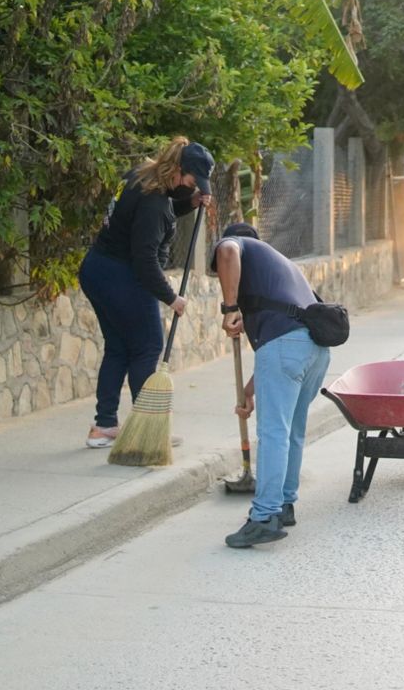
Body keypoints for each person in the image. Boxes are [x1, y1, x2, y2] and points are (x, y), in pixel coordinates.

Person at [77, 137, 212, 448]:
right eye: (191, 181)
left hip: (97, 268)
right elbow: (145, 260)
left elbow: (158, 213)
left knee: (118, 348)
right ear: (177, 170)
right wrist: (171, 298)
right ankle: (146, 432)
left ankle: (104, 426)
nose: (192, 187)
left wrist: (189, 203)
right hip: (122, 276)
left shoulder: (141, 176)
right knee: (148, 347)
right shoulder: (154, 202)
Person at [212, 223, 330, 549]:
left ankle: (264, 517)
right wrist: (249, 393)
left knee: (274, 433)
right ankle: (285, 504)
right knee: (291, 431)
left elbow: (227, 251)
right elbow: (285, 351)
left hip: (288, 348)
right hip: (316, 351)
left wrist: (230, 308)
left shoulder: (236, 245)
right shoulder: (280, 269)